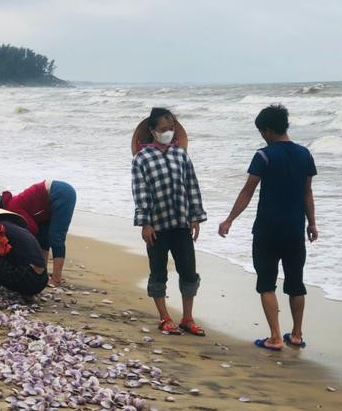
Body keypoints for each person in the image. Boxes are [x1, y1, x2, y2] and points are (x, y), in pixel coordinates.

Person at [218, 104, 318, 351]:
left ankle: (274, 337)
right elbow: (308, 193)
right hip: (295, 229)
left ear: (269, 130)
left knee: (266, 283)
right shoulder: (305, 154)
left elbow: (247, 191)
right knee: (296, 283)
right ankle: (296, 334)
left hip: (267, 230)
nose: (262, 137)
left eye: (262, 132)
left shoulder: (263, 156)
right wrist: (312, 223)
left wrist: (229, 219)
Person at [131, 107, 207, 336]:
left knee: (189, 272)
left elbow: (192, 186)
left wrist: (195, 217)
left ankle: (187, 317)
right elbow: (141, 192)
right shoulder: (141, 158)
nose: (168, 133)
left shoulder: (181, 155)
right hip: (156, 227)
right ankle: (164, 317)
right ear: (153, 131)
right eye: (163, 129)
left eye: (171, 128)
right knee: (158, 273)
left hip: (181, 224)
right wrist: (144, 223)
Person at [0, 180, 76, 286]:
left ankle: (56, 278)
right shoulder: (12, 207)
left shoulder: (13, 206)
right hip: (46, 206)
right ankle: (42, 272)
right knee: (44, 238)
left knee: (56, 236)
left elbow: (32, 229)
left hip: (59, 193)